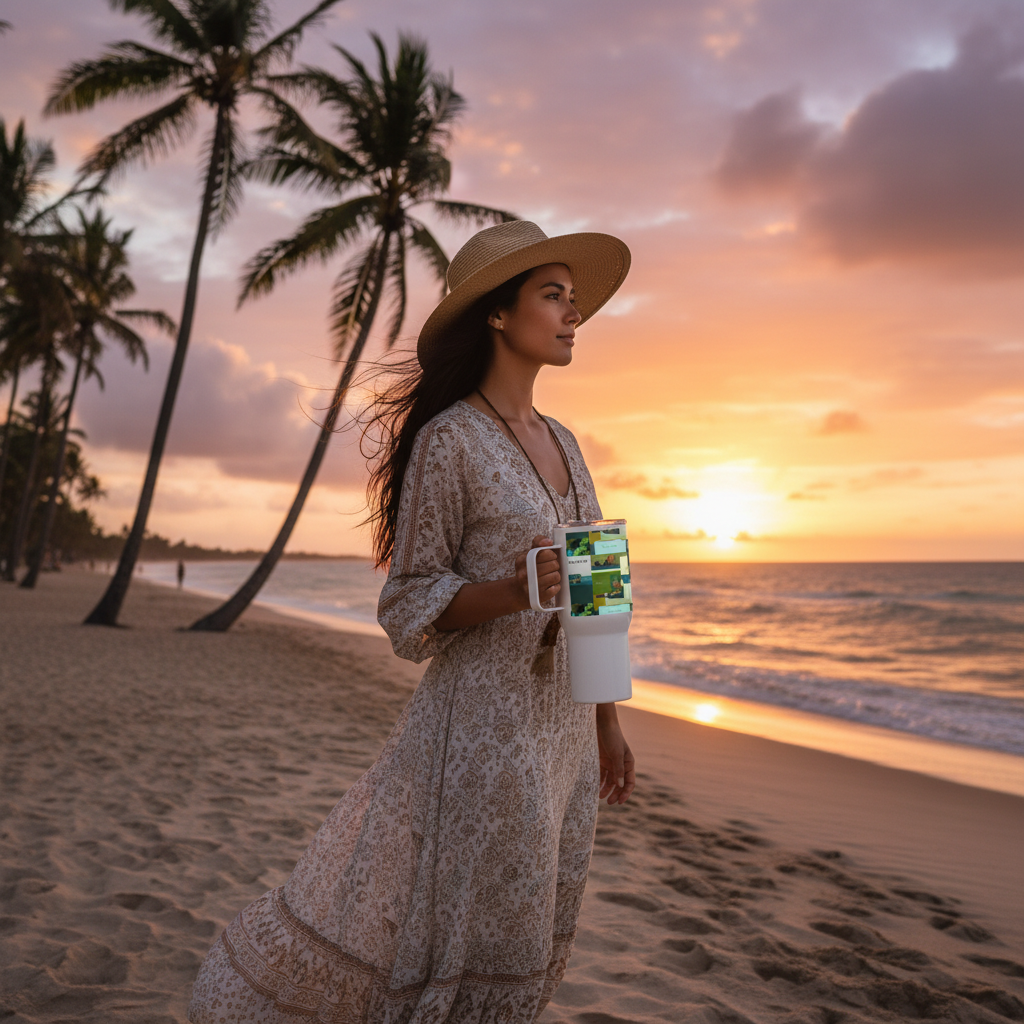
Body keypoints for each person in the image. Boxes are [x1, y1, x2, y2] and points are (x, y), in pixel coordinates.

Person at [188, 220, 636, 1023]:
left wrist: (608, 720)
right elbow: (409, 603)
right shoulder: (449, 439)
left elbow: (598, 583)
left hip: (565, 731)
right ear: (498, 315)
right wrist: (510, 589)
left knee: (534, 930)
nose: (574, 314)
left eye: (575, 299)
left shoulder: (567, 443)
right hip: (487, 726)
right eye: (553, 296)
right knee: (478, 933)